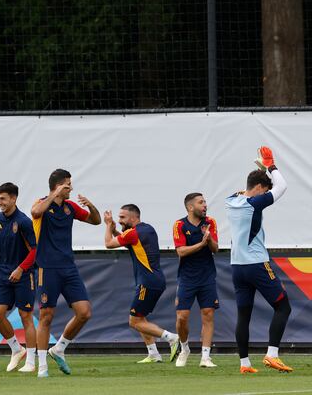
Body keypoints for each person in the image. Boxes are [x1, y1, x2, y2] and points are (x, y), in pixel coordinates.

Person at [225, 147, 292, 373]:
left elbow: (250, 187)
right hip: (256, 264)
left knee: (244, 314)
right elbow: (282, 187)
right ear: (261, 189)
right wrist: (270, 165)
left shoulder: (231, 199)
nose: (267, 193)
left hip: (237, 267)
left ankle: (244, 364)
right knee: (283, 307)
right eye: (265, 190)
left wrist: (261, 170)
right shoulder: (255, 203)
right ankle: (272, 355)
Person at [31, 169, 101, 378]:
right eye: (68, 185)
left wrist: (90, 206)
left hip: (68, 268)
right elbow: (35, 212)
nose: (71, 188)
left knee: (84, 312)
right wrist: (55, 193)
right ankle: (42, 366)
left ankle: (59, 348)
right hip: (47, 267)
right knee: (46, 316)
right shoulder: (43, 202)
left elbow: (95, 221)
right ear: (59, 186)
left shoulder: (70, 207)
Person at [104, 204, 180, 363]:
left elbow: (109, 243)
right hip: (155, 280)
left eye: (122, 217)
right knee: (141, 317)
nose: (120, 220)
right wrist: (114, 229)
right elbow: (127, 240)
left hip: (147, 281)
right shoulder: (148, 229)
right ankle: (153, 353)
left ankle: (172, 338)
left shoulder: (133, 233)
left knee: (134, 321)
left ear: (134, 217)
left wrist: (108, 226)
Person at [0, 182, 37, 373]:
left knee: (25, 316)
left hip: (24, 275)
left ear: (13, 199)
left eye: (3, 198)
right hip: (3, 276)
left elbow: (35, 251)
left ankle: (30, 361)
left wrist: (21, 269)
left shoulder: (23, 221)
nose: (0, 202)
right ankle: (16, 349)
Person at [172, 193, 219, 368]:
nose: (205, 205)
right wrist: (200, 244)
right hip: (187, 277)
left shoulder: (210, 222)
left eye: (205, 202)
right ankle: (184, 349)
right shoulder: (180, 225)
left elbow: (215, 249)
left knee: (208, 314)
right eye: (201, 203)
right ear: (190, 207)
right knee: (182, 317)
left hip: (207, 276)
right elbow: (181, 251)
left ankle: (205, 357)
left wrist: (209, 239)